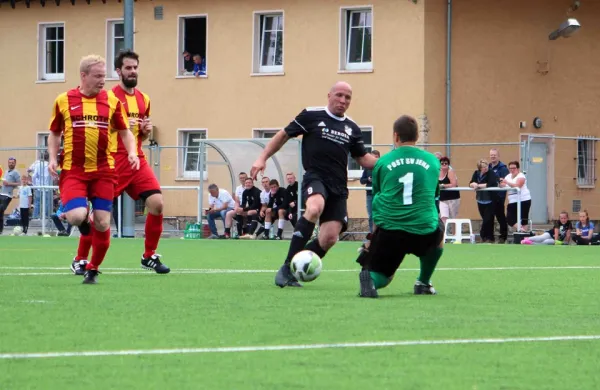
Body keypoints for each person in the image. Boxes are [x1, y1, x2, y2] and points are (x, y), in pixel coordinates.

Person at [250, 81, 378, 288]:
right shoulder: (311, 115)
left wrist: (390, 163)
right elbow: (283, 135)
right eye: (339, 95)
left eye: (347, 97)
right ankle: (286, 267)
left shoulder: (352, 128)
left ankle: (296, 266)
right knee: (314, 207)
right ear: (329, 95)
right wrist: (262, 157)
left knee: (329, 238)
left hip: (338, 186)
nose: (343, 101)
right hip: (316, 177)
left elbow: (363, 158)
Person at [70, 50, 170, 276]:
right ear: (118, 72)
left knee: (157, 203)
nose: (132, 71)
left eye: (135, 67)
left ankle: (149, 255)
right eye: (128, 68)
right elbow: (98, 129)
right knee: (98, 216)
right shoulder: (107, 98)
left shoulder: (144, 99)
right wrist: (119, 126)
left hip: (136, 160)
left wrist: (144, 131)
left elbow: (140, 135)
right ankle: (80, 259)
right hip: (112, 162)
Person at [48, 54, 140, 284]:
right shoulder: (63, 100)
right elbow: (55, 132)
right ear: (83, 75)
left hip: (103, 170)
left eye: (104, 76)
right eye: (98, 76)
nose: (103, 80)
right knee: (77, 217)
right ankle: (85, 224)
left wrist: (131, 152)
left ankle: (93, 268)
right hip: (73, 170)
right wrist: (51, 158)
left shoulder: (111, 101)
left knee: (103, 222)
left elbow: (124, 131)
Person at [355, 115, 443, 298]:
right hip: (423, 229)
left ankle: (370, 279)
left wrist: (373, 237)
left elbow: (378, 199)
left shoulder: (382, 163)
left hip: (390, 231)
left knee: (385, 277)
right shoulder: (433, 161)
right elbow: (433, 196)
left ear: (395, 136)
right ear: (417, 137)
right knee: (439, 235)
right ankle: (423, 282)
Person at [469, 159, 498, 243]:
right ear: (479, 168)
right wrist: (473, 184)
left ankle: (483, 234)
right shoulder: (476, 173)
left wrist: (478, 185)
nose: (486, 168)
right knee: (487, 220)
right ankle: (489, 238)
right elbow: (470, 183)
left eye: (486, 166)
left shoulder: (491, 173)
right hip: (480, 200)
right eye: (483, 167)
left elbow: (491, 183)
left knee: (487, 219)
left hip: (490, 200)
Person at [499, 161, 531, 232]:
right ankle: (522, 230)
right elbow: (502, 184)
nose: (512, 170)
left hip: (523, 199)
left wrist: (506, 182)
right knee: (509, 218)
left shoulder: (521, 176)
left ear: (518, 168)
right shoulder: (508, 176)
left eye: (514, 168)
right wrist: (501, 183)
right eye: (510, 168)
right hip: (512, 200)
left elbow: (518, 185)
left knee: (523, 218)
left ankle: (523, 236)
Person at [489, 149, 509, 243]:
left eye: (494, 155)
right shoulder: (488, 167)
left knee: (500, 217)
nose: (493, 156)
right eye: (491, 155)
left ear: (498, 156)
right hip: (489, 197)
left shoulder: (503, 168)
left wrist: (498, 180)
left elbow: (504, 181)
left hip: (499, 196)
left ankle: (503, 236)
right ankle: (490, 237)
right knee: (489, 217)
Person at [360, 150, 380, 233]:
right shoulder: (367, 168)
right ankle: (372, 235)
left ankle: (379, 235)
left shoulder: (381, 167)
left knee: (379, 215)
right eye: (372, 157)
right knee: (371, 216)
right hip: (369, 194)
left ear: (378, 157)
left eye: (375, 157)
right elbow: (362, 181)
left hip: (379, 194)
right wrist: (368, 179)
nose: (373, 159)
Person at [0, 157, 21, 235]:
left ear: (15, 163)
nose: (11, 164)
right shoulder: (5, 172)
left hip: (7, 195)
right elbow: (5, 183)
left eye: (12, 162)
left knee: (1, 210)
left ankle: (0, 230)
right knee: (0, 212)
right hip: (1, 193)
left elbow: (19, 184)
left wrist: (9, 184)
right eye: (10, 162)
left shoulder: (16, 173)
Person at [438, 156, 460, 226]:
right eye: (442, 163)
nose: (444, 164)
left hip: (453, 198)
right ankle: (445, 235)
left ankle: (454, 235)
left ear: (448, 164)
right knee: (443, 217)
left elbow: (454, 184)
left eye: (446, 163)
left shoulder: (450, 171)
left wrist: (444, 185)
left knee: (453, 219)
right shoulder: (438, 172)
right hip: (442, 199)